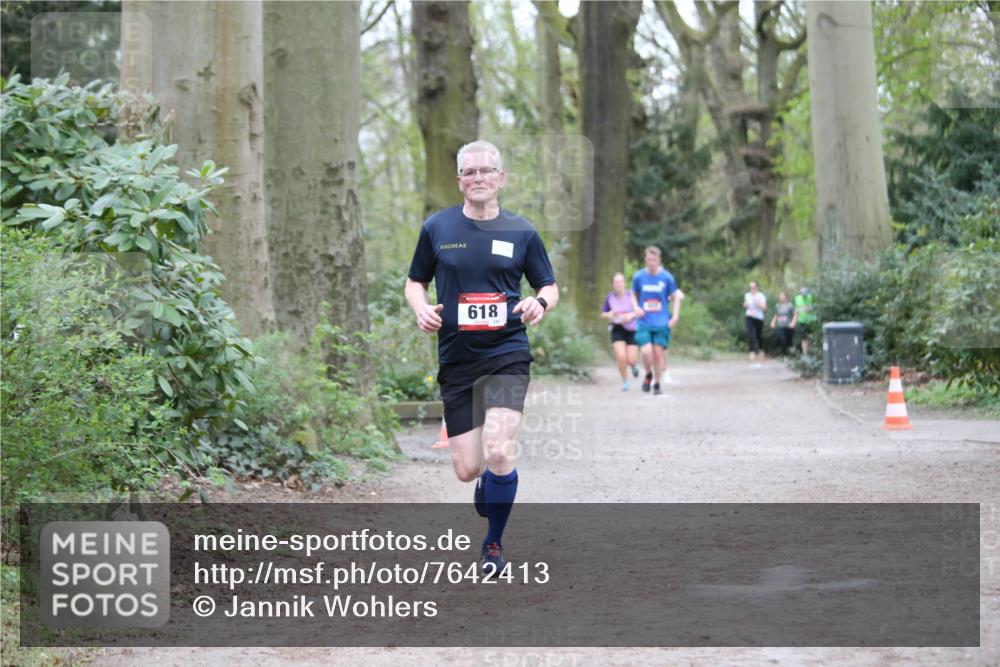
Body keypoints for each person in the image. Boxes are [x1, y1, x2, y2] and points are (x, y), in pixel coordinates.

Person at [404, 140, 558, 574]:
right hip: (457, 359)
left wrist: (539, 304)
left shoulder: (522, 232)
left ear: (500, 178)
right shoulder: (437, 228)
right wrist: (420, 309)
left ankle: (493, 545)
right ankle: (489, 479)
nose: (478, 178)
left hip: (507, 352)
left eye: (486, 171)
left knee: (499, 449)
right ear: (459, 181)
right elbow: (415, 282)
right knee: (468, 468)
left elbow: (548, 286)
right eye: (469, 172)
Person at [631, 246, 682, 396]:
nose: (651, 263)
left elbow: (676, 296)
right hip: (644, 321)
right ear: (645, 260)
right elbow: (633, 294)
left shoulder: (667, 278)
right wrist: (636, 307)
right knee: (646, 351)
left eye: (654, 260)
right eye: (648, 259)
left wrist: (675, 316)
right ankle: (648, 374)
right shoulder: (639, 277)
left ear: (659, 260)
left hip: (661, 322)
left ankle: (658, 384)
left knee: (658, 354)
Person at [601, 272, 641, 390]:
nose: (618, 284)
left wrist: (630, 315)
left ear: (624, 283)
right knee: (621, 356)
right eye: (616, 282)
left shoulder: (631, 296)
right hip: (617, 328)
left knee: (631, 359)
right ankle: (625, 381)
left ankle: (633, 365)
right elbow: (603, 314)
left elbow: (639, 311)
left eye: (620, 281)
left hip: (631, 328)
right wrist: (609, 314)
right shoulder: (609, 298)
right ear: (613, 284)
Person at [743, 281, 767, 363]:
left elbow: (764, 307)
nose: (752, 289)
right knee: (751, 335)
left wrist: (757, 302)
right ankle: (752, 351)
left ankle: (760, 350)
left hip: (759, 317)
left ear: (757, 287)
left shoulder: (761, 295)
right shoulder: (747, 295)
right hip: (749, 316)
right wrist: (745, 304)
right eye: (750, 287)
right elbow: (745, 305)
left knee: (758, 335)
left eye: (753, 287)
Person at [770, 291, 797, 356]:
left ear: (786, 297)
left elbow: (795, 315)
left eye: (782, 296)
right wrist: (773, 322)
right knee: (782, 340)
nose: (781, 298)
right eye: (780, 296)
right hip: (780, 325)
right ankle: (784, 354)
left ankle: (791, 353)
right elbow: (776, 315)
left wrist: (793, 323)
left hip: (789, 326)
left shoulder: (790, 305)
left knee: (789, 341)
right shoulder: (777, 306)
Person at [794, 286, 817, 354]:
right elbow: (796, 309)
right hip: (802, 321)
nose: (804, 296)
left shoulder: (811, 297)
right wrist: (794, 321)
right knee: (804, 338)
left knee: (813, 337)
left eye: (805, 294)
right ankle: (805, 354)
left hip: (811, 321)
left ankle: (814, 352)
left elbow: (816, 307)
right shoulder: (797, 298)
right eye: (803, 294)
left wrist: (810, 309)